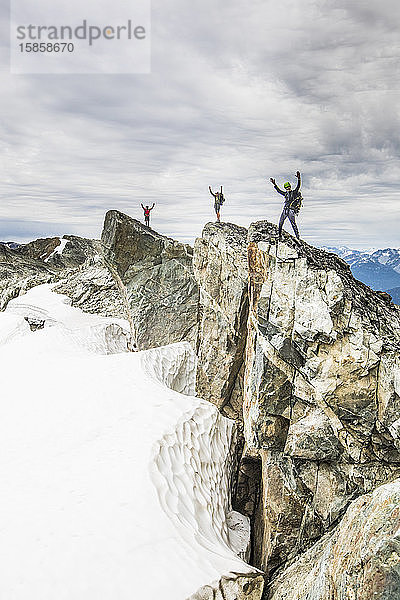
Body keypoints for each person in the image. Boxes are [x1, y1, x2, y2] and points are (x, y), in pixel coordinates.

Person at [270, 171, 301, 239]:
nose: (288, 189)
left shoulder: (294, 192)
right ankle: (279, 235)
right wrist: (274, 184)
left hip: (291, 210)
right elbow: (279, 191)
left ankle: (298, 237)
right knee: (280, 222)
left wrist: (299, 179)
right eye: (286, 188)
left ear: (290, 187)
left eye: (288, 187)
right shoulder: (285, 194)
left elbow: (298, 187)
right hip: (285, 210)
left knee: (293, 224)